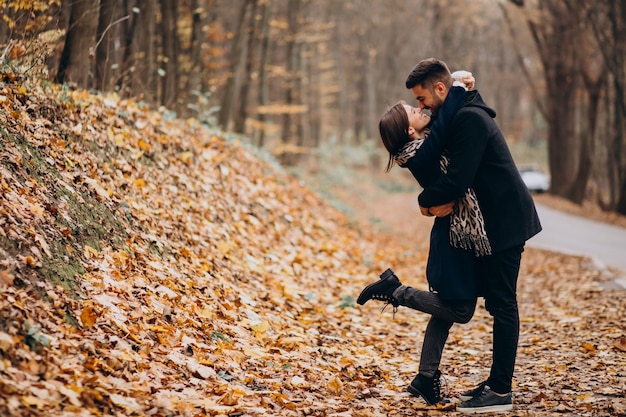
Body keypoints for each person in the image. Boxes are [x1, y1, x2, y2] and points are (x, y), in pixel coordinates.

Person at [403, 58, 541, 413]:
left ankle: (500, 389)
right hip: (490, 226)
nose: (421, 106)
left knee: (502, 303)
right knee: (493, 302)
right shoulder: (459, 113)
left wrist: (423, 201)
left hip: (505, 222)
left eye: (421, 99)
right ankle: (489, 382)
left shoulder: (468, 119)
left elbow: (458, 180)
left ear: (439, 89)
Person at [358, 74, 486, 406]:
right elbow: (444, 127)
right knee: (460, 310)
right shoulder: (421, 152)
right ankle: (395, 290)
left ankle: (425, 379)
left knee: (445, 310)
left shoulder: (419, 147)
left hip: (451, 231)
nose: (420, 109)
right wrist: (457, 87)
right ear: (409, 131)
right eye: (412, 110)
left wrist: (463, 89)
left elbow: (445, 125)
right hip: (455, 236)